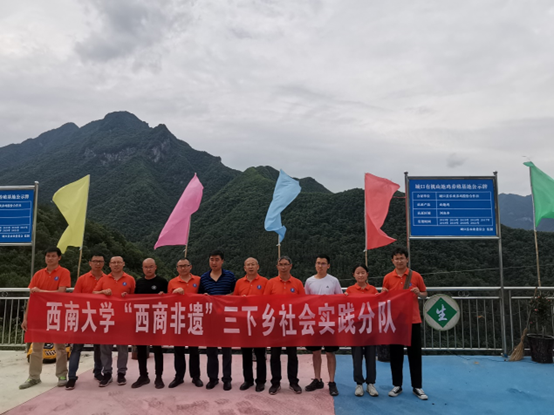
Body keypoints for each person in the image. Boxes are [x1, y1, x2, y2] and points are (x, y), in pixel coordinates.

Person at [19, 247, 71, 389]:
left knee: (60, 347)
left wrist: (40, 291)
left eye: (53, 256)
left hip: (56, 313)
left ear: (59, 258)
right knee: (36, 347)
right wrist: (26, 317)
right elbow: (32, 297)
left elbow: (61, 292)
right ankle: (33, 377)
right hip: (39, 315)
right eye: (48, 255)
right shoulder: (38, 274)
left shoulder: (64, 272)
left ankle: (62, 375)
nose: (50, 258)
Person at [382, 247, 428, 400]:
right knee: (395, 354)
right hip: (395, 321)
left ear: (407, 259)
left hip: (413, 320)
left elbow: (425, 294)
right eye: (396, 258)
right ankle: (397, 385)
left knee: (415, 354)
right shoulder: (388, 277)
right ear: (392, 261)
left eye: (402, 258)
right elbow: (384, 296)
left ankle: (417, 386)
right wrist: (383, 294)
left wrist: (419, 293)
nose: (399, 261)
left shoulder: (416, 276)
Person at [263, 255, 305, 395]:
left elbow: (303, 302)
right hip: (276, 323)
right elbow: (265, 302)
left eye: (286, 264)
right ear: (277, 266)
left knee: (292, 354)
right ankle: (275, 383)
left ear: (290, 266)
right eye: (281, 264)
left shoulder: (297, 283)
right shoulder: (271, 283)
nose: (283, 267)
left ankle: (293, 382)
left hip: (292, 323)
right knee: (275, 355)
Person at [65, 254, 107, 390]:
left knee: (98, 347)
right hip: (83, 317)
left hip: (100, 318)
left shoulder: (107, 279)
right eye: (95, 261)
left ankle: (98, 372)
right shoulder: (82, 279)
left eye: (100, 261)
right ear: (90, 263)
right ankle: (72, 377)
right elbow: (75, 298)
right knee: (77, 347)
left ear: (104, 263)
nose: (97, 264)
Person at [93, 256, 136, 387]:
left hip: (123, 319)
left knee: (123, 348)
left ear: (123, 264)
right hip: (106, 318)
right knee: (105, 348)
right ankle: (107, 373)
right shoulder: (103, 279)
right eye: (113, 262)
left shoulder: (130, 279)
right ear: (110, 265)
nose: (116, 264)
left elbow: (136, 298)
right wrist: (102, 292)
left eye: (119, 262)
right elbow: (93, 293)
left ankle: (121, 373)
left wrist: (128, 297)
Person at [303, 254, 343, 396]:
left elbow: (340, 300)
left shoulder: (334, 281)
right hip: (314, 322)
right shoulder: (309, 281)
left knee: (330, 352)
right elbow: (305, 301)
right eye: (318, 263)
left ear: (328, 266)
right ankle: (317, 379)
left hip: (330, 322)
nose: (320, 266)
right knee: (316, 352)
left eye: (323, 263)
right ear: (315, 265)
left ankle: (331, 382)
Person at [198, 250, 236, 391]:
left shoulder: (230, 276)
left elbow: (236, 293)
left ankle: (227, 379)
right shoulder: (204, 278)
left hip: (226, 318)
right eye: (211, 259)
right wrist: (204, 296)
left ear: (222, 261)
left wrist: (225, 298)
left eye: (217, 259)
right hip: (210, 319)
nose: (214, 262)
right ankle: (212, 378)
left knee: (227, 351)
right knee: (211, 351)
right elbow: (199, 296)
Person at [166, 258, 204, 389]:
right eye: (180, 266)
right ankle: (179, 376)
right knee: (178, 350)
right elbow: (167, 301)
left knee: (194, 350)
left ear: (190, 267)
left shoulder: (198, 280)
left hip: (194, 318)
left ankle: (196, 376)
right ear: (177, 268)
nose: (183, 268)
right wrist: (174, 294)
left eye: (185, 265)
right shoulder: (172, 282)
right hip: (179, 319)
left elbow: (203, 297)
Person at [131, 258, 168, 389]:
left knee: (157, 349)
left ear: (155, 267)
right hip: (142, 320)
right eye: (146, 267)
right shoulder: (139, 282)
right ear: (142, 268)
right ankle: (143, 376)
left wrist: (164, 295)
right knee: (141, 350)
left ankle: (159, 377)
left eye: (151, 266)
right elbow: (133, 300)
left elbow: (170, 300)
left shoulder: (162, 282)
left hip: (157, 319)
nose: (148, 269)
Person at [345, 264, 380, 397]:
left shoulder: (373, 290)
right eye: (358, 273)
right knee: (357, 357)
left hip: (370, 328)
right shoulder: (350, 290)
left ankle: (371, 383)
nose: (360, 275)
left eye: (363, 272)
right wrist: (343, 298)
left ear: (367, 274)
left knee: (371, 356)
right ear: (353, 275)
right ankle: (359, 383)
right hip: (356, 328)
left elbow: (378, 306)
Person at [233, 257, 268, 392]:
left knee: (260, 354)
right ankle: (248, 380)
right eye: (248, 265)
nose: (251, 267)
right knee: (246, 353)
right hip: (244, 322)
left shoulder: (265, 282)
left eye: (253, 264)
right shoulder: (239, 282)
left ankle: (261, 381)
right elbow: (234, 300)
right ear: (244, 268)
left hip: (259, 322)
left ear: (258, 267)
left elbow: (268, 300)